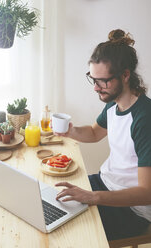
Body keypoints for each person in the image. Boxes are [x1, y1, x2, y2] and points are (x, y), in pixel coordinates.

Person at [55, 29, 151, 241]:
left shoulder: (145, 119)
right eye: (93, 79)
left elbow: (147, 192)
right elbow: (94, 132)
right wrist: (70, 131)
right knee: (54, 200)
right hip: (104, 183)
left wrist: (93, 197)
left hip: (132, 211)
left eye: (102, 81)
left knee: (68, 234)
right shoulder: (113, 104)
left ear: (125, 75)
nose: (96, 88)